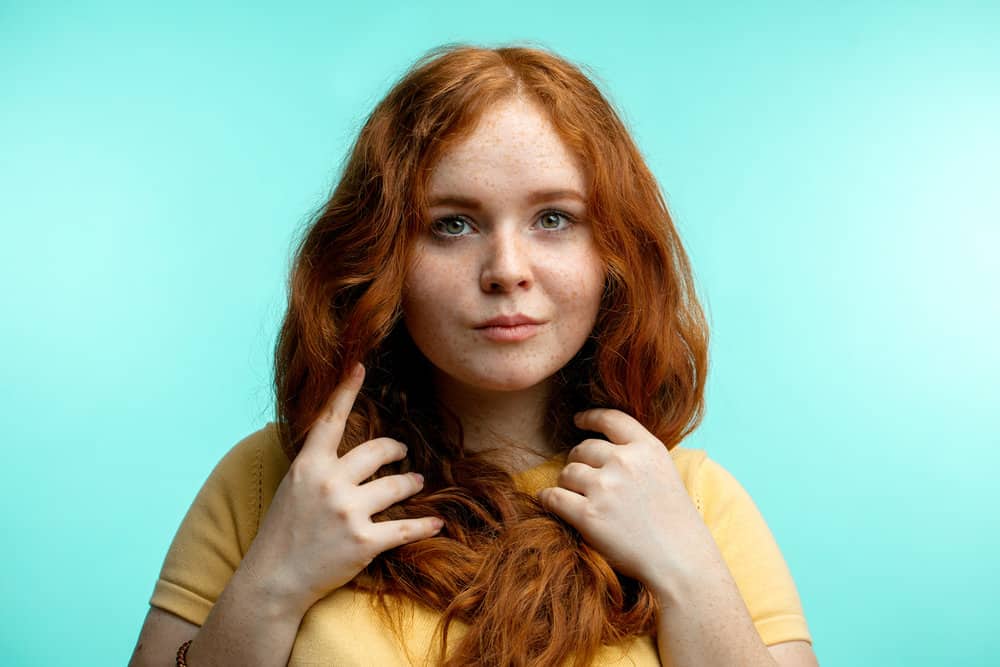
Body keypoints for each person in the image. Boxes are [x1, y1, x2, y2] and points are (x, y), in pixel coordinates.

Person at [128, 43, 818, 667]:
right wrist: (272, 586)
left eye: (554, 218)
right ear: (382, 253)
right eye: (452, 224)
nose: (506, 269)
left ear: (613, 253)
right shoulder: (273, 480)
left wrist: (690, 574)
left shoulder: (695, 500)